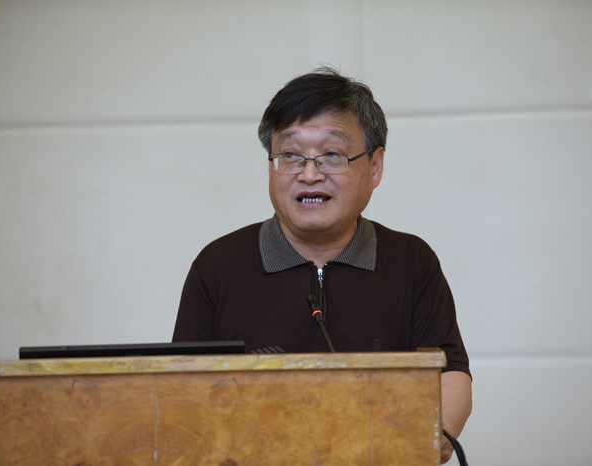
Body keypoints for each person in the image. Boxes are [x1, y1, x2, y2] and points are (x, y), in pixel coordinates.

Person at [172, 66, 471, 463]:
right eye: (290, 156)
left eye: (331, 155)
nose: (309, 174)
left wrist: (426, 437)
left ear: (375, 166)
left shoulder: (411, 262)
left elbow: (449, 373)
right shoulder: (218, 266)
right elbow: (180, 390)